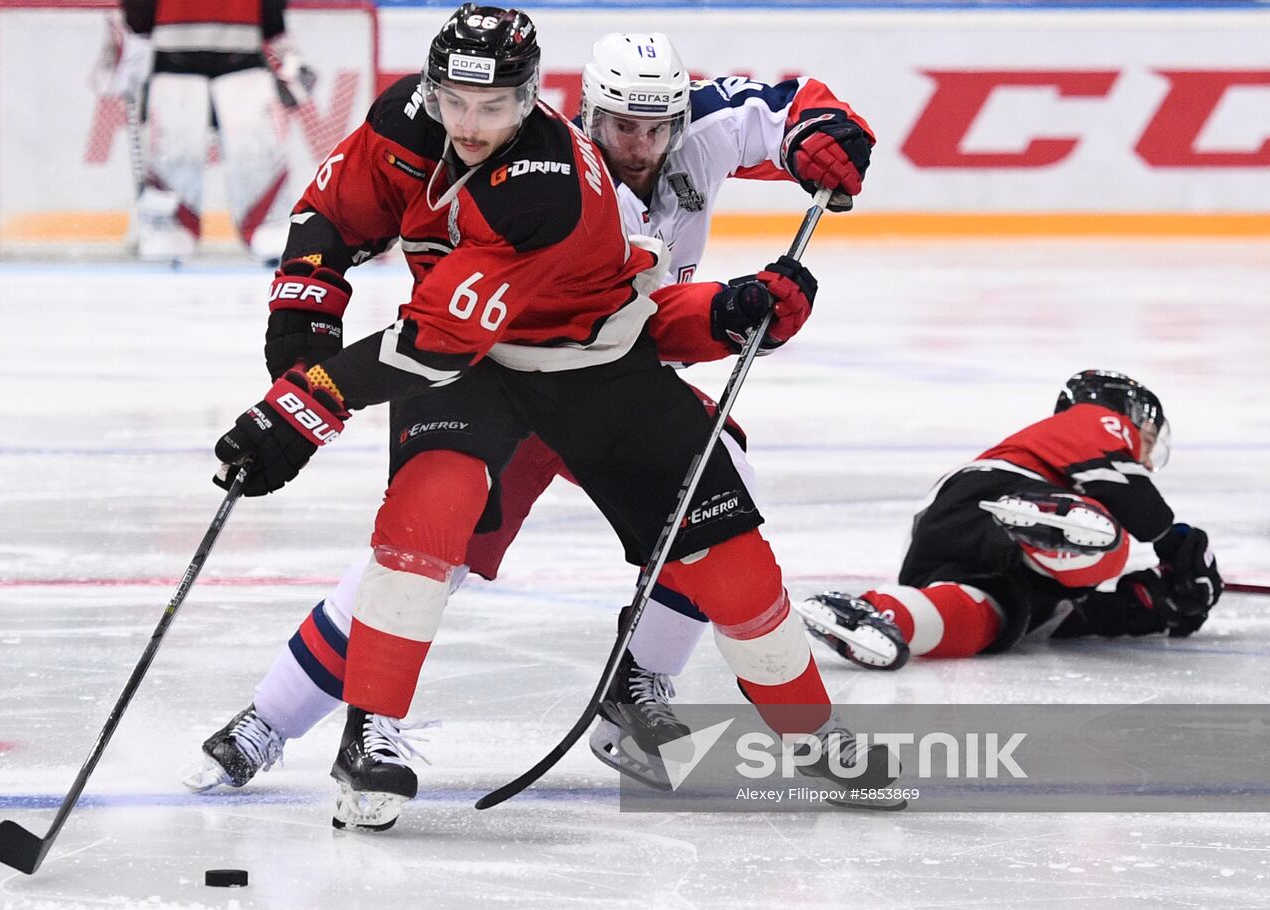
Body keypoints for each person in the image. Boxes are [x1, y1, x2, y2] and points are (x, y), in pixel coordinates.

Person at [190, 5, 892, 830]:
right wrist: (304, 335)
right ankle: (284, 718)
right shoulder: (517, 161)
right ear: (582, 110)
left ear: (530, 101)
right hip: (483, 368)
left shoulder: (579, 172)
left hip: (587, 367)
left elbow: (783, 119)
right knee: (426, 535)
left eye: (655, 127)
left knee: (719, 511)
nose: (638, 146)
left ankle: (646, 687)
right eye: (619, 126)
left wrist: (827, 140)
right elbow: (377, 254)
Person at [799, 370, 1224, 669]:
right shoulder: (1092, 423)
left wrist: (1162, 605)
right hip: (993, 496)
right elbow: (1110, 476)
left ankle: (878, 615)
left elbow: (1075, 615)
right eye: (1147, 441)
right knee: (1111, 544)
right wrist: (1169, 538)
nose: (1147, 460)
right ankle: (1040, 523)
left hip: (961, 547)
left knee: (988, 621)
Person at [94, 0, 316, 262]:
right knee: (176, 149)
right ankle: (170, 225)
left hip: (233, 51)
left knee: (254, 147)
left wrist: (136, 27)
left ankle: (268, 222)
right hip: (180, 55)